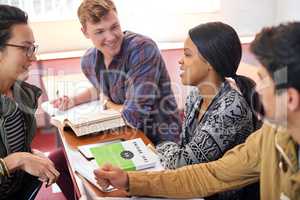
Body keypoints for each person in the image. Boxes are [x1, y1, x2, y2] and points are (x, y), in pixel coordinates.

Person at [94, 22, 300, 200]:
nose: (258, 89)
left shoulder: (232, 107)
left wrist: (159, 145)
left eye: (264, 81)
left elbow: (184, 160)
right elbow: (210, 174)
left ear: (290, 99)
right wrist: (129, 180)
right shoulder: (273, 136)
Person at [155, 22, 262, 200]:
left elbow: (182, 163)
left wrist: (159, 146)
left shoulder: (230, 108)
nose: (181, 61)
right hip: (196, 190)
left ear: (210, 62)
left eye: (187, 55)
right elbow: (183, 151)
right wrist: (173, 151)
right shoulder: (195, 96)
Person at [51, 0, 181, 145]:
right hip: (121, 134)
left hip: (161, 141)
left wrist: (107, 103)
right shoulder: (88, 62)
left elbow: (134, 116)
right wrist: (74, 100)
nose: (111, 37)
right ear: (85, 32)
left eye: (114, 27)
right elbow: (102, 88)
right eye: (100, 31)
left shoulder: (142, 49)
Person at [0, 5, 60, 199]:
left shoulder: (20, 95)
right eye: (25, 48)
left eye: (32, 48)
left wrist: (29, 154)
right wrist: (17, 160)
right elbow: (13, 159)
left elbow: (12, 147)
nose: (33, 57)